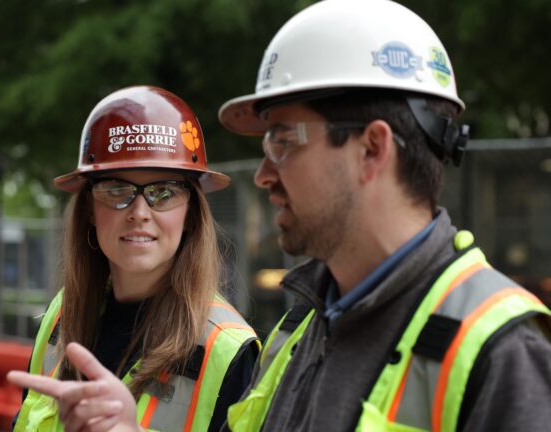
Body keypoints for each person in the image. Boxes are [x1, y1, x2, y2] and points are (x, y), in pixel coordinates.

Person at [216, 0, 551, 431]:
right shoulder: (298, 327)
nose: (263, 176)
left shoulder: (504, 353)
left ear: (372, 149)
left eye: (283, 142)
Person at [9, 85, 259, 432]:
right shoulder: (61, 315)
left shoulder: (227, 351)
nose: (140, 212)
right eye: (116, 190)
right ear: (90, 212)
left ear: (189, 214)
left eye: (164, 192)